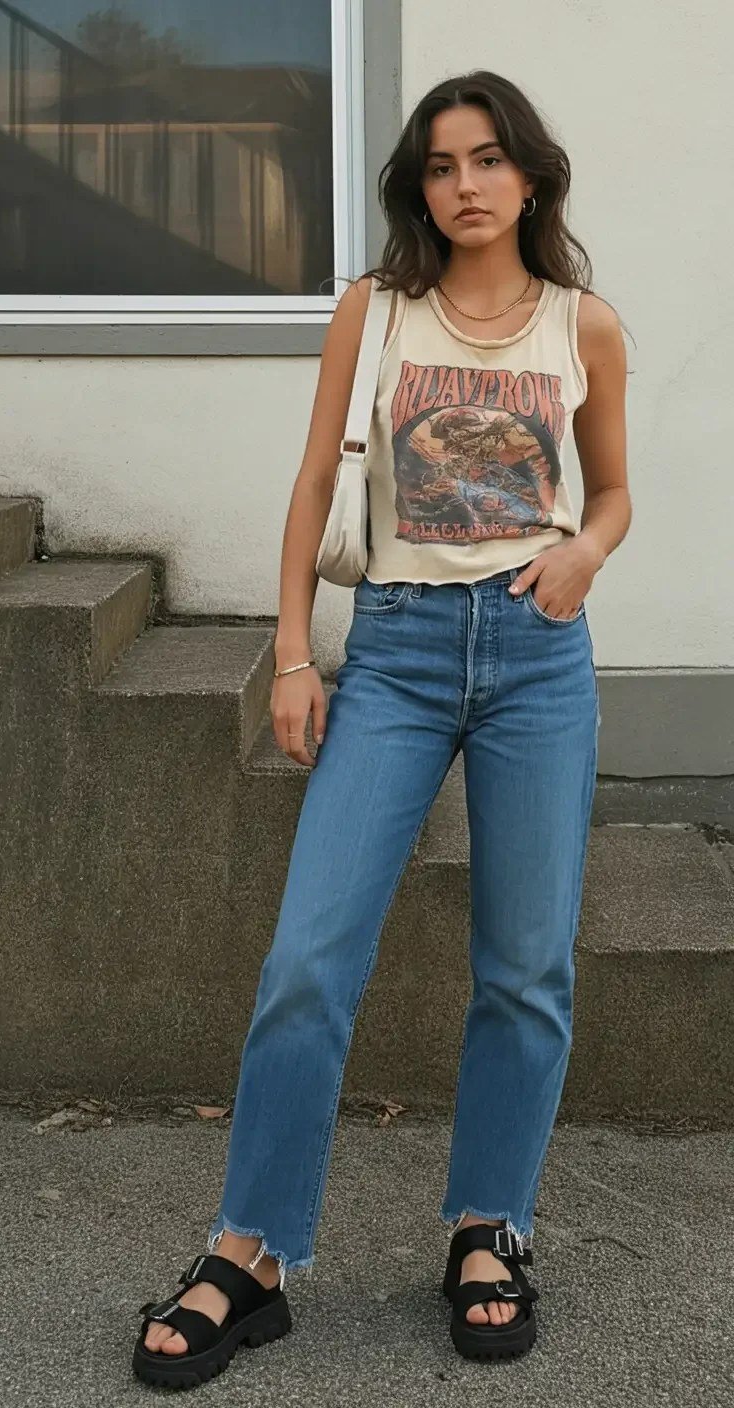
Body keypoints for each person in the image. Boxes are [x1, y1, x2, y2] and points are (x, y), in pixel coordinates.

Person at [133, 67, 630, 1387]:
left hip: (538, 657)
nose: (466, 184)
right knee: (309, 957)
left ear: (531, 175)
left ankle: (488, 1230)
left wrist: (584, 551)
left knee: (526, 967)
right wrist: (295, 654)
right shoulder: (377, 310)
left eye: (488, 159)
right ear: (419, 185)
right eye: (441, 165)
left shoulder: (584, 326)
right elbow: (314, 482)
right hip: (397, 653)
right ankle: (250, 1252)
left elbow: (616, 494)